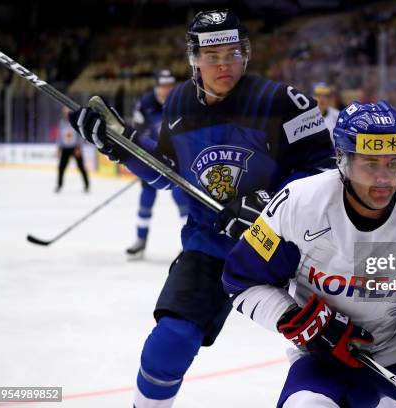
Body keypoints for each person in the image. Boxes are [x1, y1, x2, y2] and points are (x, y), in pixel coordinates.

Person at [68, 9, 333, 407]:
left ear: (246, 53)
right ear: (194, 59)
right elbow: (168, 174)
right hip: (214, 245)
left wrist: (269, 204)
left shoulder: (283, 102)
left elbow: (326, 170)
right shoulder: (177, 105)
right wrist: (119, 145)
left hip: (290, 249)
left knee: (334, 355)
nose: (224, 64)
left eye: (233, 52)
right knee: (168, 343)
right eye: (212, 56)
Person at [222, 101, 396, 407]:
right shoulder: (300, 204)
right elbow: (243, 281)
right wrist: (297, 320)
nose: (384, 178)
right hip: (325, 358)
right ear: (343, 160)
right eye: (371, 163)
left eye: (394, 163)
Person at [126, 70, 189, 259]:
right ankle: (140, 239)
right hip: (151, 159)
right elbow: (138, 134)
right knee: (146, 198)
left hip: (177, 161)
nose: (167, 91)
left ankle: (189, 245)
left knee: (182, 199)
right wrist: (144, 157)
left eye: (170, 86)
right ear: (156, 87)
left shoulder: (182, 102)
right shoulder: (145, 104)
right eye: (163, 87)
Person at [56, 106, 90, 193]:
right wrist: (59, 148)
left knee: (81, 167)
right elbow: (59, 137)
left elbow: (80, 135)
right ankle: (59, 185)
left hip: (75, 148)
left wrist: (79, 147)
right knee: (61, 168)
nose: (66, 114)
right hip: (65, 149)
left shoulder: (75, 122)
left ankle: (87, 185)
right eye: (65, 113)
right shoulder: (61, 123)